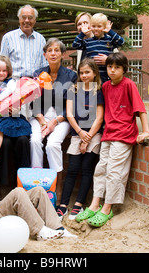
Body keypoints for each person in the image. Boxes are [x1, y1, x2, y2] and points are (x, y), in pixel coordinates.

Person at [75, 52, 149, 227]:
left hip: (124, 135)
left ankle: (107, 208)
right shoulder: (106, 87)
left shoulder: (129, 85)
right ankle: (94, 204)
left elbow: (140, 109)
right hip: (108, 133)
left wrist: (145, 131)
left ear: (124, 69)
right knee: (101, 169)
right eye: (110, 67)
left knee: (115, 171)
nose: (113, 70)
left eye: (117, 67)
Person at [30, 38, 77, 204]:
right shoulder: (37, 74)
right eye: (50, 50)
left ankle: (56, 187)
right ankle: (37, 186)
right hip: (40, 116)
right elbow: (33, 102)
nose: (53, 53)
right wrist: (43, 123)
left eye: (57, 50)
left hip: (62, 118)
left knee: (52, 144)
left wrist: (54, 123)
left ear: (63, 54)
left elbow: (72, 104)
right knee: (35, 140)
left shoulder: (71, 75)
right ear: (45, 54)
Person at [57, 58, 104, 220]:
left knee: (86, 170)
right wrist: (79, 133)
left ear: (94, 73)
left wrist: (88, 137)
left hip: (94, 135)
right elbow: (69, 114)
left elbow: (99, 118)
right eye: (81, 73)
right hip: (77, 134)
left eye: (87, 72)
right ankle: (63, 205)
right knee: (72, 169)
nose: (84, 76)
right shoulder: (73, 89)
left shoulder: (98, 91)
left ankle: (79, 204)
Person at [72, 13, 125, 84]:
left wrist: (110, 32)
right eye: (93, 26)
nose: (96, 28)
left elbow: (121, 42)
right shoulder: (86, 42)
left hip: (106, 78)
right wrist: (82, 34)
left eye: (85, 23)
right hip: (91, 80)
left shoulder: (109, 40)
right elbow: (75, 45)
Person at [0, 5, 48, 78]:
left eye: (30, 18)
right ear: (19, 19)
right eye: (23, 17)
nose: (26, 20)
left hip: (35, 83)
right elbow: (2, 63)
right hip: (14, 83)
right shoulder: (8, 38)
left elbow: (44, 64)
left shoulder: (41, 39)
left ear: (35, 20)